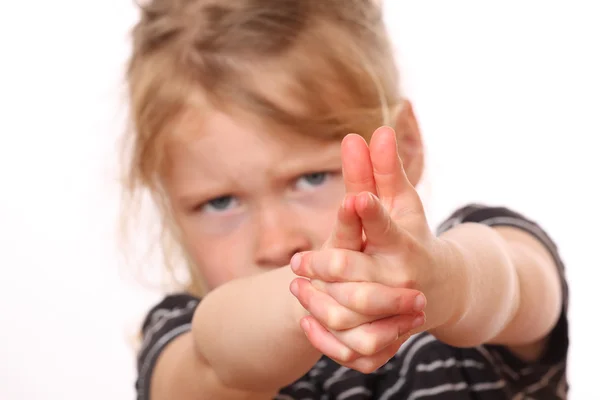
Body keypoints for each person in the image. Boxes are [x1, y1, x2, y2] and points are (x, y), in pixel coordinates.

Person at [123, 1, 569, 398]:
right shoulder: (178, 341)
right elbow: (217, 357)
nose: (276, 242)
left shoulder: (470, 278)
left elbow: (520, 285)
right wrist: (313, 291)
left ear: (405, 145)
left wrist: (448, 281)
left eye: (311, 178)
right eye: (220, 203)